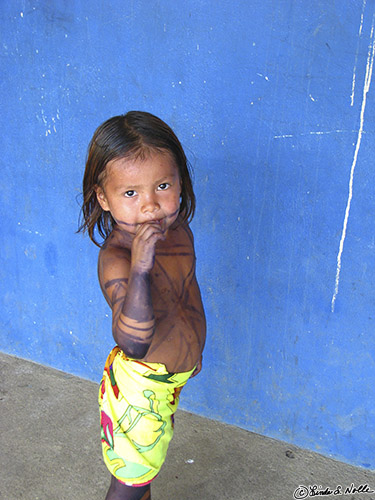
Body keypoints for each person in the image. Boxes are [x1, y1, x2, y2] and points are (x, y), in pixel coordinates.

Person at [79, 111, 206, 500]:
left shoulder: (178, 227)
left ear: (180, 182)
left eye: (163, 186)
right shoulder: (117, 259)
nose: (150, 206)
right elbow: (133, 343)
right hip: (140, 388)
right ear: (104, 198)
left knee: (143, 476)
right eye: (131, 194)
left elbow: (183, 294)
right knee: (129, 485)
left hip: (169, 381)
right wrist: (141, 268)